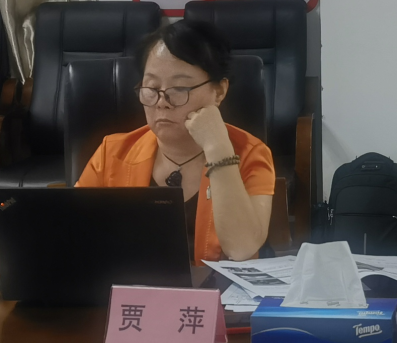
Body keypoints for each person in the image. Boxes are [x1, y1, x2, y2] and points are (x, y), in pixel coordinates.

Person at [78, 18, 273, 263]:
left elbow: (242, 249)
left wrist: (218, 148)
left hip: (214, 288)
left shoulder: (251, 153)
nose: (162, 102)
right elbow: (73, 232)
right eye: (151, 87)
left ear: (219, 91)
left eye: (180, 88)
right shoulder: (113, 153)